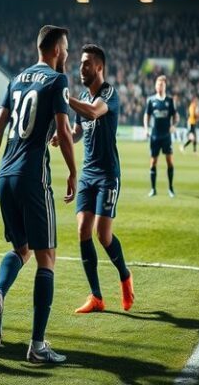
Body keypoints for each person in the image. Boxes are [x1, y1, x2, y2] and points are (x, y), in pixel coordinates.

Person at [0, 24, 77, 364]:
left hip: (5, 171)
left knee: (21, 249)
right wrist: (72, 172)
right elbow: (64, 132)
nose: (67, 54)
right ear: (54, 50)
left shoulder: (16, 79)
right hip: (33, 175)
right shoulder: (57, 80)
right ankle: (37, 346)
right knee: (46, 257)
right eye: (65, 48)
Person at [55, 44, 133, 314]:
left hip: (108, 175)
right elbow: (79, 129)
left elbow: (93, 112)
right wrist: (63, 136)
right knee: (82, 231)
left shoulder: (108, 94)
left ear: (99, 67)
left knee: (103, 233)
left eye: (87, 63)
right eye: (80, 63)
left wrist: (65, 99)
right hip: (87, 174)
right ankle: (96, 297)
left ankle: (124, 276)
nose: (81, 67)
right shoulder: (80, 96)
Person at [144, 75, 178, 198]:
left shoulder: (170, 100)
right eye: (158, 84)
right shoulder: (151, 100)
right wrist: (146, 129)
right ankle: (153, 189)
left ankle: (171, 188)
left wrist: (174, 125)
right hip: (155, 136)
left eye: (162, 85)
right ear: (155, 86)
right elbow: (146, 116)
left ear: (165, 86)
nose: (159, 86)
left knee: (169, 161)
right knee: (153, 162)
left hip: (166, 136)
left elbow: (176, 116)